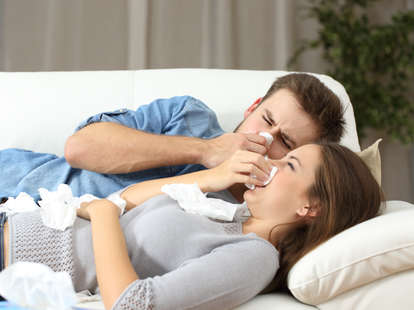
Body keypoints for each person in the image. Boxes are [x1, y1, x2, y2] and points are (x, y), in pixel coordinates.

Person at [1, 142, 383, 310]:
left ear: (310, 206)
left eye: (291, 165)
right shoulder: (229, 212)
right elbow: (127, 199)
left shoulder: (255, 258)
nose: (273, 163)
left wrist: (102, 217)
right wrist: (212, 177)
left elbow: (133, 304)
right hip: (12, 218)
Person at [0, 73, 345, 201]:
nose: (266, 139)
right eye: (266, 119)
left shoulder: (256, 213)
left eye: (286, 142)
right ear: (253, 106)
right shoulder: (188, 114)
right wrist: (206, 150)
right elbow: (80, 148)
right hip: (17, 181)